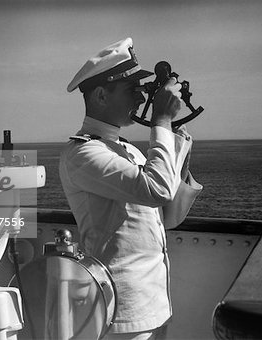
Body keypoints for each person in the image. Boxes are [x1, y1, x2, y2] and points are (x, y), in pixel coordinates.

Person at [59, 37, 203, 340]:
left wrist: (178, 143)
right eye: (132, 90)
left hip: (155, 306)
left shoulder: (129, 152)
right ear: (100, 95)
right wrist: (161, 119)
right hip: (121, 316)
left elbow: (169, 215)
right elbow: (157, 190)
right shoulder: (83, 155)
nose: (141, 99)